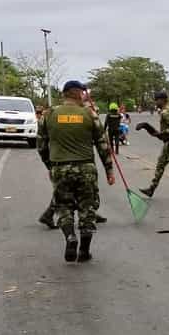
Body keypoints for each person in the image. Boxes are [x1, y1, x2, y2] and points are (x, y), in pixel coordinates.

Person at [38, 80, 116, 262]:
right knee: (87, 208)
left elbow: (41, 145)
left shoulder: (49, 114)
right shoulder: (89, 114)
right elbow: (102, 145)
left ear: (65, 94)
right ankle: (84, 251)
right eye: (83, 93)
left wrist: (50, 165)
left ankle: (70, 237)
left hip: (60, 168)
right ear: (78, 94)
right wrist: (109, 170)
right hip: (86, 168)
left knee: (63, 206)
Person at [36, 105, 59, 229]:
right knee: (63, 191)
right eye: (38, 112)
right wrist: (49, 164)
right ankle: (48, 214)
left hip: (56, 160)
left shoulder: (49, 122)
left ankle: (91, 212)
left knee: (64, 190)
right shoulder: (45, 123)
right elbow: (41, 146)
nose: (39, 114)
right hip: (57, 161)